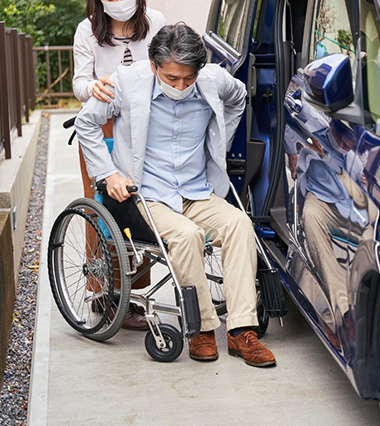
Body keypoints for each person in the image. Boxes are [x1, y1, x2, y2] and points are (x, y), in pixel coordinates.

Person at [75, 23, 276, 367]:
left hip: (197, 190)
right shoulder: (126, 82)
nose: (181, 86)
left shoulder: (213, 79)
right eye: (171, 78)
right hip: (147, 195)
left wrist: (219, 144)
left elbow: (238, 97)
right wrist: (108, 174)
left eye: (188, 78)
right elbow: (86, 123)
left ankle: (242, 329)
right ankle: (203, 329)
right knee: (187, 236)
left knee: (240, 224)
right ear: (154, 66)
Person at [73, 0, 166, 330]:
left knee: (139, 206)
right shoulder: (88, 29)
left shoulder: (155, 21)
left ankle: (134, 295)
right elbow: (79, 81)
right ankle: (103, 292)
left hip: (144, 127)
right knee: (102, 209)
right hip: (102, 125)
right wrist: (93, 87)